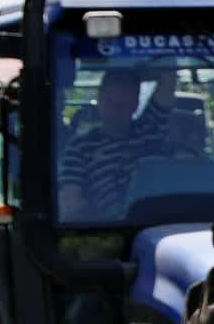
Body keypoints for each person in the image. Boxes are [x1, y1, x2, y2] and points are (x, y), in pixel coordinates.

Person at [57, 66, 170, 220]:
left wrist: (135, 66)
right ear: (99, 100)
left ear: (135, 102)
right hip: (109, 229)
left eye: (123, 102)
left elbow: (169, 73)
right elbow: (71, 202)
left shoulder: (151, 129)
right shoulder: (80, 148)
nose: (115, 109)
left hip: (161, 223)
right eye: (110, 100)